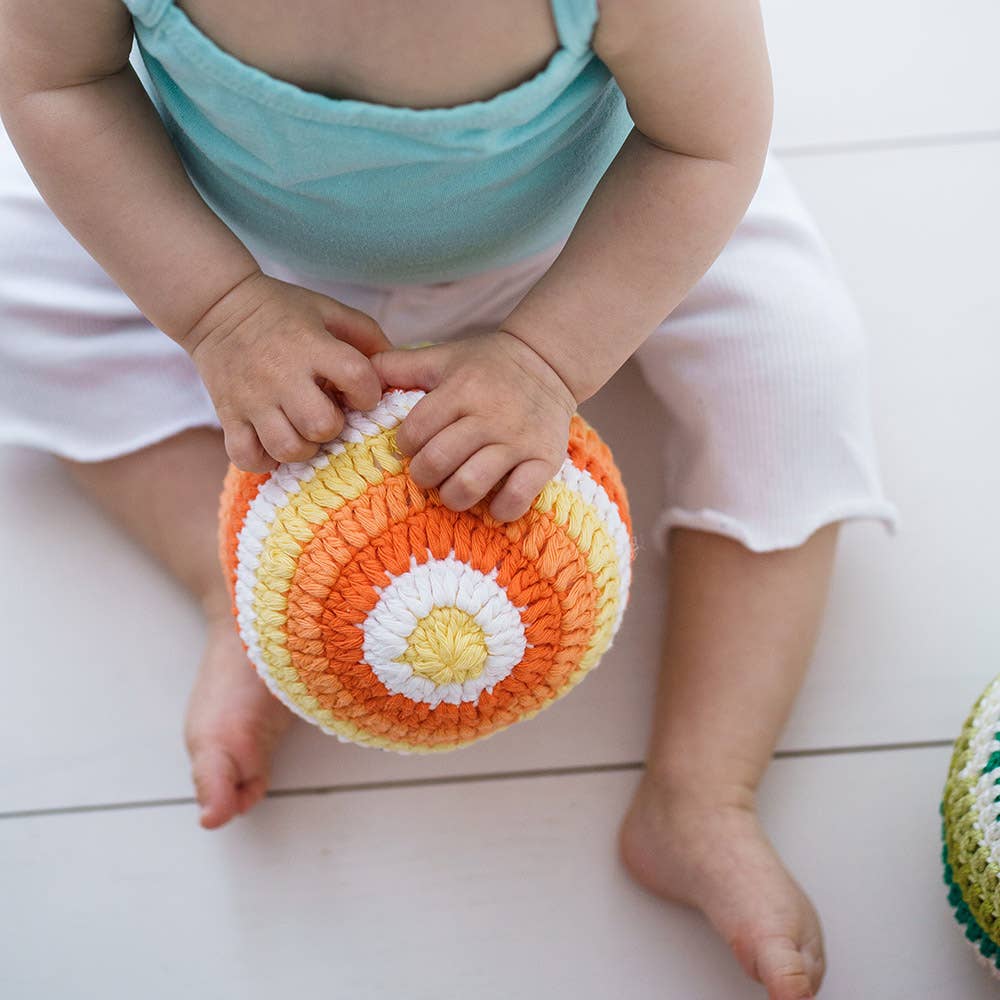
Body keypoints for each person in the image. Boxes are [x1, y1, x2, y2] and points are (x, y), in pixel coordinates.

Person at [0, 1, 899, 996]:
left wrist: (550, 357)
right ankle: (242, 589)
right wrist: (217, 310)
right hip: (229, 247)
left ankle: (702, 793)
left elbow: (703, 148)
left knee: (794, 364)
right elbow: (54, 81)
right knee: (11, 285)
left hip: (588, 245)